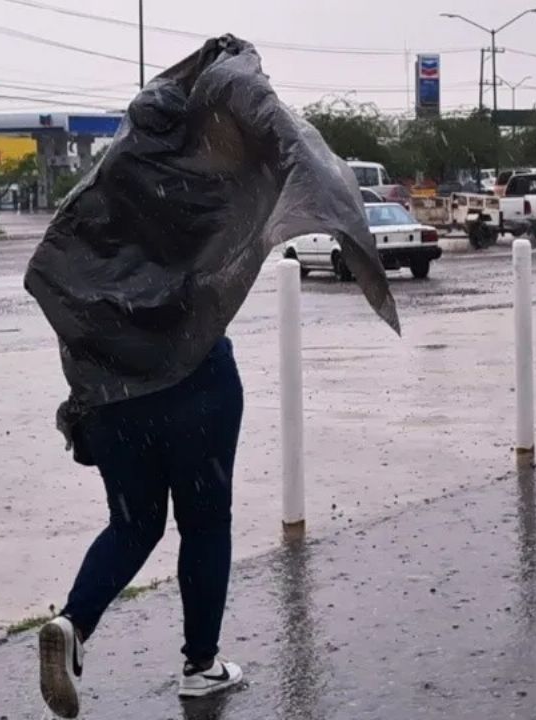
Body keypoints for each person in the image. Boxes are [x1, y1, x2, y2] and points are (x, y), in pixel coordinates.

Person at [25, 35, 398, 719]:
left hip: (112, 388)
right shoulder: (209, 180)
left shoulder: (117, 174)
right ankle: (201, 665)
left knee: (132, 524)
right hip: (195, 378)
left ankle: (73, 625)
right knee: (205, 521)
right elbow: (295, 160)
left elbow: (56, 264)